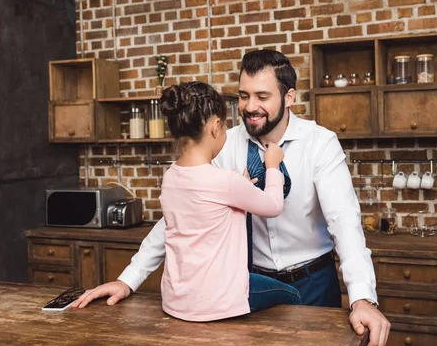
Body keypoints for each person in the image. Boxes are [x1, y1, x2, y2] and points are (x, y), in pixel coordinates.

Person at [73, 50, 390, 346]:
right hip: (245, 290)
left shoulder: (320, 143)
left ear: (289, 97)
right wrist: (128, 280)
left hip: (314, 285)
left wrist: (362, 298)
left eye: (262, 96)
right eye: (243, 96)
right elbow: (178, 219)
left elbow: (344, 223)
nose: (251, 106)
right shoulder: (221, 143)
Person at [76, 81, 302, 321]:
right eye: (224, 127)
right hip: (217, 300)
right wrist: (273, 164)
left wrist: (127, 280)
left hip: (177, 302)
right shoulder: (224, 181)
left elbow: (203, 207)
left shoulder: (171, 177)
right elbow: (273, 205)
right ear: (216, 127)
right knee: (293, 297)